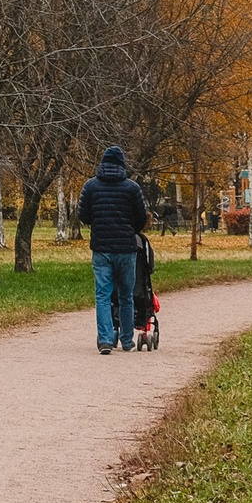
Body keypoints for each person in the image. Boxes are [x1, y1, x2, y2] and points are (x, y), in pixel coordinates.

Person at [78, 144, 150, 354]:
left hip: (101, 248)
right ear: (121, 164)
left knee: (103, 295)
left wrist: (99, 223)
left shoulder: (91, 186)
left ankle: (105, 340)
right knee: (126, 295)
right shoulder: (132, 188)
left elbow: (83, 215)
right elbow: (141, 217)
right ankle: (127, 341)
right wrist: (131, 230)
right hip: (126, 249)